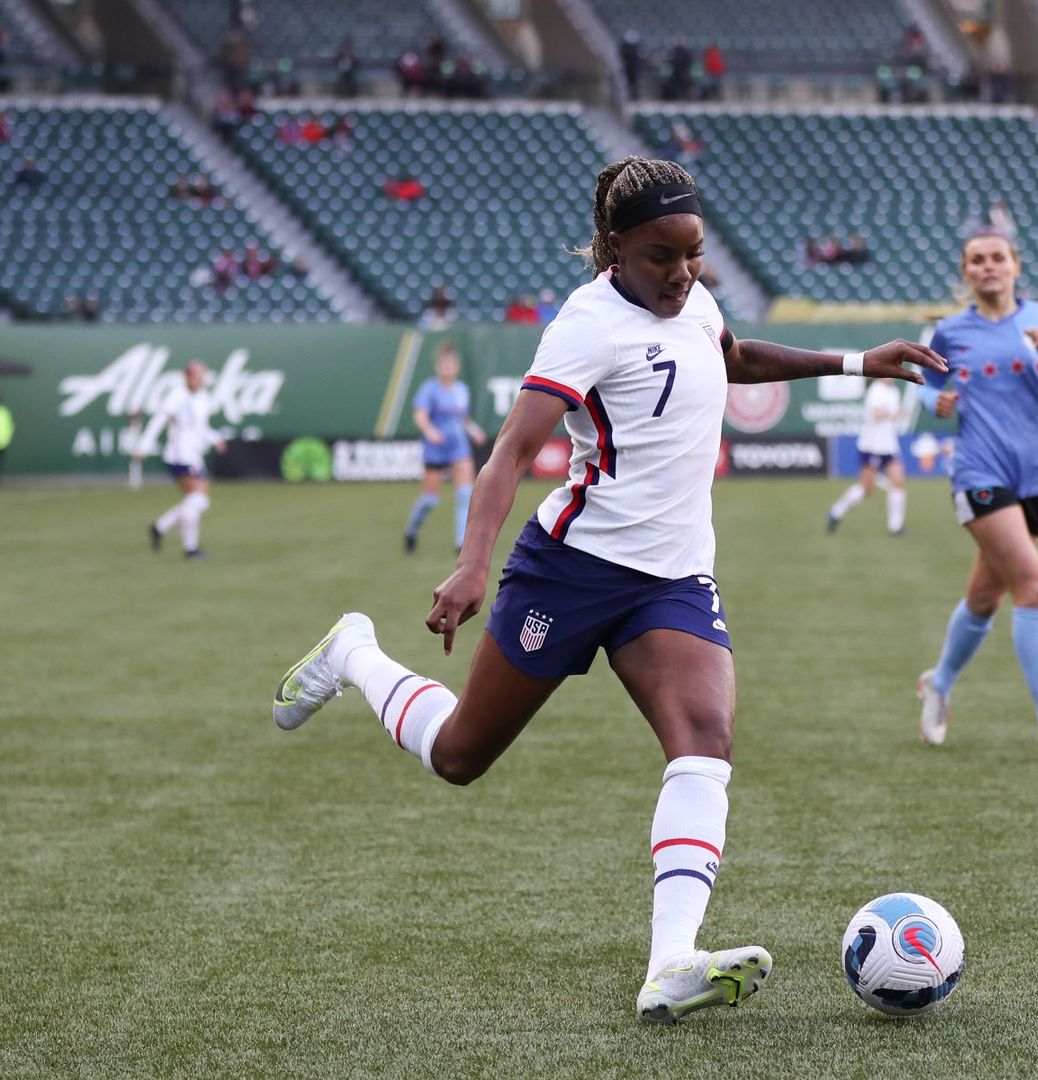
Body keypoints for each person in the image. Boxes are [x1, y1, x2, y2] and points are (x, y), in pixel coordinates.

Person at [271, 156, 944, 1025]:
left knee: (705, 738)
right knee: (461, 757)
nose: (683, 272)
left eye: (694, 253)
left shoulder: (693, 300)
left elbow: (733, 358)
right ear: (616, 250)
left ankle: (672, 963)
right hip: (571, 569)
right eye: (662, 256)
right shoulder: (587, 325)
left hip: (671, 578)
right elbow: (512, 452)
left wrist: (858, 360)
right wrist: (473, 563)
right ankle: (353, 650)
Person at [916, 229, 1038, 753]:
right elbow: (927, 387)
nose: (989, 267)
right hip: (978, 476)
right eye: (978, 260)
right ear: (966, 272)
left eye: (998, 258)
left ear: (1016, 265)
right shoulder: (949, 332)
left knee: (986, 596)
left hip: (1034, 480)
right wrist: (934, 405)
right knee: (1032, 584)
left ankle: (937, 683)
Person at [403, 341, 486, 553]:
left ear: (456, 367)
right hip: (436, 447)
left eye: (452, 365)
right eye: (444, 365)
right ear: (438, 367)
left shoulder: (461, 390)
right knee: (430, 499)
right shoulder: (429, 389)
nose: (448, 368)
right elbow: (419, 415)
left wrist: (474, 430)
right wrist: (430, 431)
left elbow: (462, 418)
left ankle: (460, 543)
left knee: (464, 494)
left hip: (458, 446)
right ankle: (411, 531)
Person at [138, 361, 226, 560]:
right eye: (195, 376)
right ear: (187, 377)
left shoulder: (203, 397)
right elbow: (159, 420)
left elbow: (200, 427)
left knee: (197, 501)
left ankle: (161, 528)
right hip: (180, 455)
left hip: (195, 455)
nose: (199, 380)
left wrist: (215, 438)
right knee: (198, 499)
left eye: (201, 376)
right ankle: (189, 547)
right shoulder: (177, 396)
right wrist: (144, 445)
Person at [826, 378, 907, 535]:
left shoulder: (895, 391)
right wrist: (896, 413)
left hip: (889, 445)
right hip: (872, 446)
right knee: (867, 488)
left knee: (898, 482)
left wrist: (897, 415)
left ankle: (895, 527)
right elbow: (876, 414)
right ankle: (836, 511)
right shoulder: (876, 389)